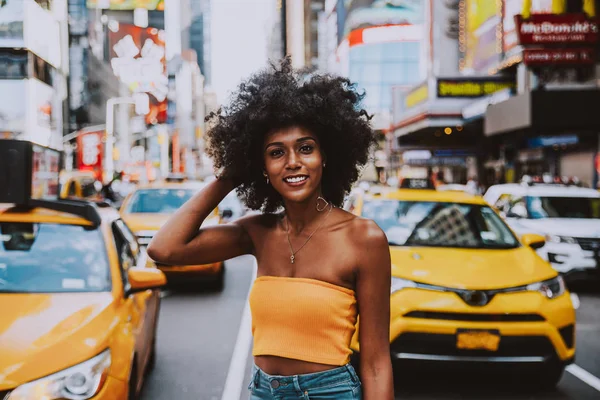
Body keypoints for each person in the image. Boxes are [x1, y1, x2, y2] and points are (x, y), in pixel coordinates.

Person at [147, 58, 394, 400]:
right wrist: (229, 176)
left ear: (326, 156)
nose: (293, 162)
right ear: (261, 166)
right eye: (276, 153)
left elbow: (377, 361)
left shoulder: (363, 239)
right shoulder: (257, 232)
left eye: (305, 148)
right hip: (264, 392)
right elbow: (165, 249)